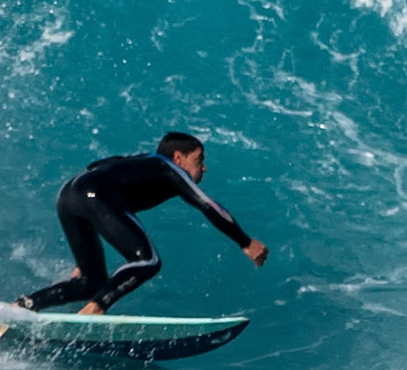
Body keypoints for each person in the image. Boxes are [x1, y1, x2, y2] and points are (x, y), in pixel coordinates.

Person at [14, 131, 268, 315]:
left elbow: (97, 168)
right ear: (178, 157)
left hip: (68, 194)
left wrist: (85, 253)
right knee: (148, 261)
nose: (204, 168)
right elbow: (209, 206)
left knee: (90, 282)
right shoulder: (169, 167)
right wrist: (245, 242)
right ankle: (94, 310)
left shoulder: (139, 162)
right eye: (199, 160)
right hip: (94, 193)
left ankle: (24, 306)